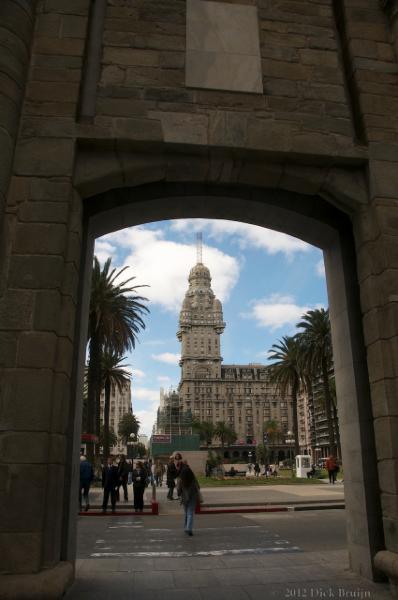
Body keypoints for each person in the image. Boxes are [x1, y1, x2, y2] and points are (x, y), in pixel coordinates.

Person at [177, 465, 200, 536]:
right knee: (190, 512)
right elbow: (198, 487)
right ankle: (189, 528)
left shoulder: (180, 479)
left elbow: (178, 490)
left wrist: (179, 494)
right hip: (193, 496)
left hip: (184, 497)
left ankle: (186, 527)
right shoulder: (193, 478)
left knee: (186, 512)